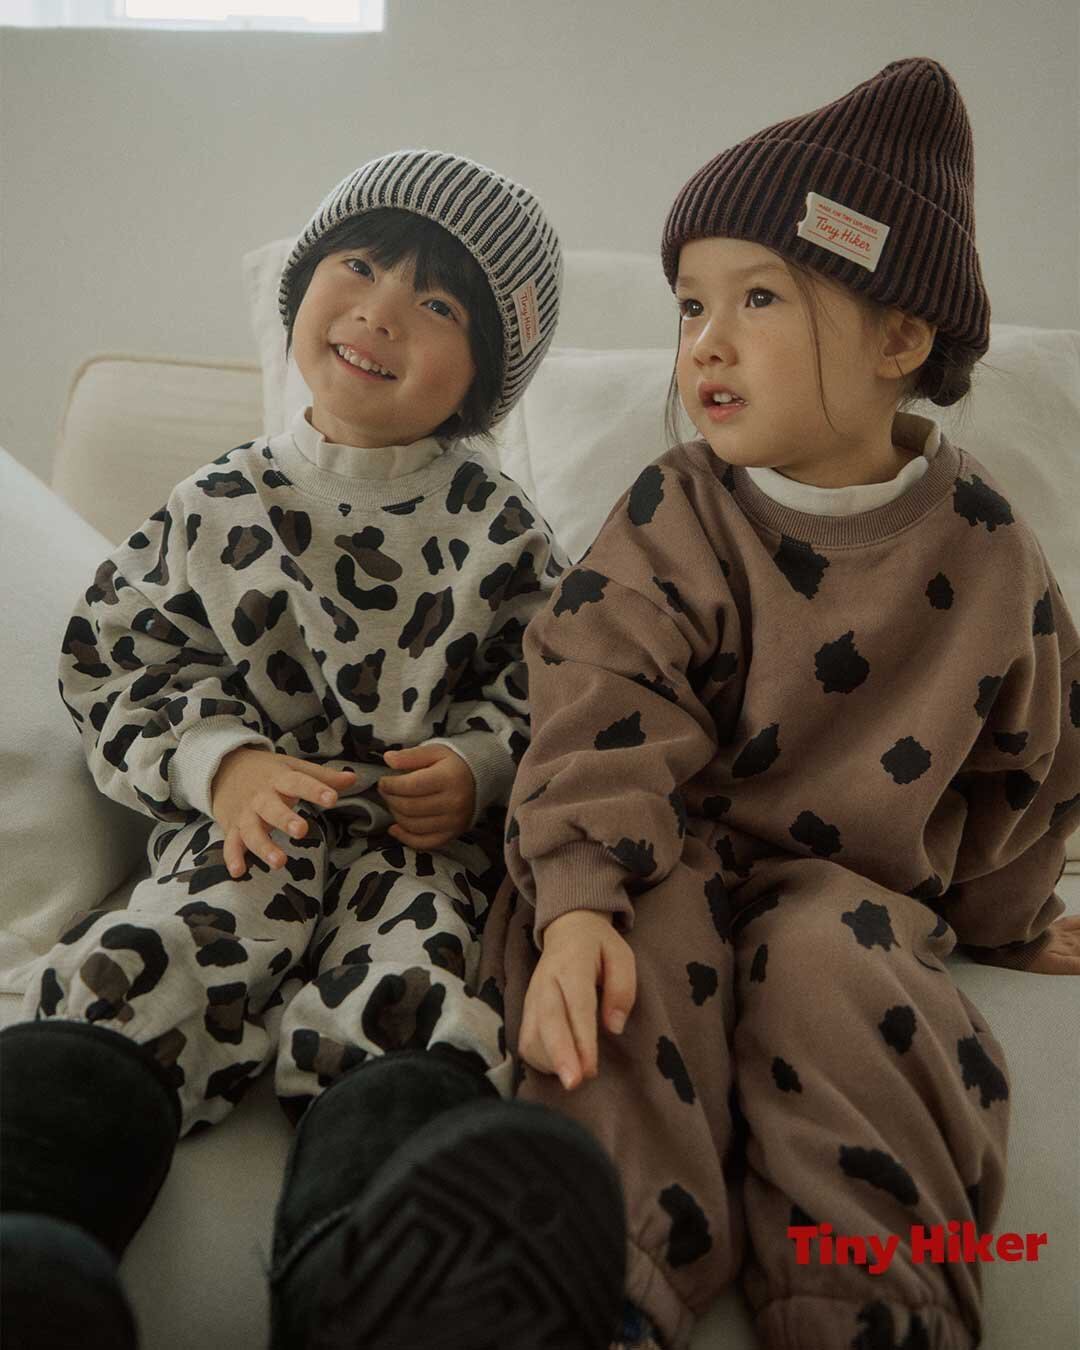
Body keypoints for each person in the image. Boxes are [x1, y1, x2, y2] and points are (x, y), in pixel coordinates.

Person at [478, 59, 1080, 1350]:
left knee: (843, 973)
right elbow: (599, 696)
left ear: (900, 340)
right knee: (625, 969)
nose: (706, 339)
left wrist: (1013, 921)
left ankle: (878, 1307)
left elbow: (1032, 761)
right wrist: (576, 898)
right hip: (660, 847)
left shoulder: (988, 551)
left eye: (758, 297)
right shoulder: (676, 509)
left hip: (856, 894)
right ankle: (598, 1288)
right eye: (692, 303)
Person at [0, 150, 626, 1350]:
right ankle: (28, 1234)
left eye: (438, 304)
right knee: (142, 968)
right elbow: (116, 658)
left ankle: (380, 1285)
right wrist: (221, 762)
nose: (382, 312)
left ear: (485, 376)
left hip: (413, 859)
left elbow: (558, 693)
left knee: (418, 1007)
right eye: (361, 265)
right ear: (303, 287)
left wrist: (479, 770)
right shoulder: (214, 502)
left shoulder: (500, 528)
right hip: (240, 838)